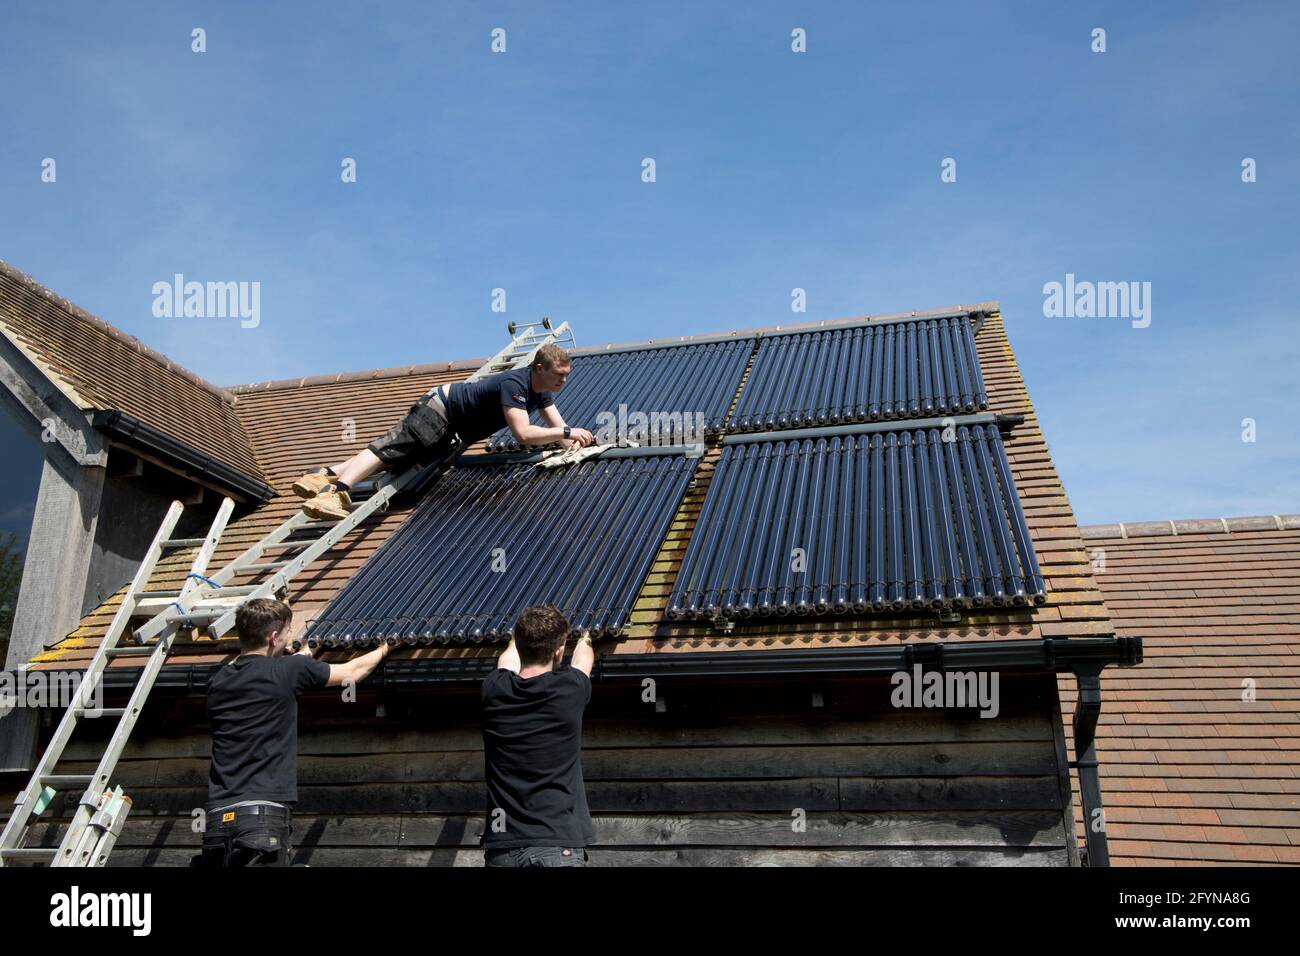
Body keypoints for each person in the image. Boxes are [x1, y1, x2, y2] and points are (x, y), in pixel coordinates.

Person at [293, 343, 596, 519]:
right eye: (559, 375)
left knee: (398, 457)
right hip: (440, 410)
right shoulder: (515, 384)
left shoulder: (540, 391)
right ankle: (335, 492)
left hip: (451, 426)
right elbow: (524, 434)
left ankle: (323, 473)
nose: (563, 381)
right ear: (539, 369)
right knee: (390, 449)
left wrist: (570, 439)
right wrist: (567, 433)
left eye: (566, 375)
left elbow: (558, 428)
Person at [193, 597, 389, 867]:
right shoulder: (290, 670)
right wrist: (385, 648)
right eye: (286, 633)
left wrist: (304, 655)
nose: (288, 638)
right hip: (262, 818)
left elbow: (269, 671)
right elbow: (351, 673)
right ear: (273, 637)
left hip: (216, 821)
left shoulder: (218, 679)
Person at [480, 605, 596, 866]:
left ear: (519, 645)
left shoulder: (494, 690)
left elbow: (506, 662)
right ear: (559, 650)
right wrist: (586, 637)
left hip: (502, 851)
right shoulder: (570, 689)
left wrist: (518, 637)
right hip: (555, 846)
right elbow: (583, 659)